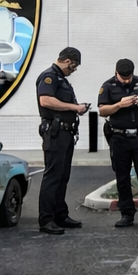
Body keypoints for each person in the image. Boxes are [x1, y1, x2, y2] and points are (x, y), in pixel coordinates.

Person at [97, 58, 138, 230]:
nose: (126, 80)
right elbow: (102, 110)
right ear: (116, 73)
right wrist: (119, 104)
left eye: (129, 77)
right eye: (123, 78)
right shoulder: (108, 86)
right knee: (122, 177)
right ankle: (126, 214)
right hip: (119, 137)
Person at [35, 48, 88, 235]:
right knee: (53, 176)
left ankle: (60, 215)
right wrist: (75, 107)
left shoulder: (61, 79)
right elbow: (46, 101)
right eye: (73, 67)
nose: (73, 70)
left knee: (63, 176)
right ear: (67, 60)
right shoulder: (49, 77)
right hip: (55, 132)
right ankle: (46, 219)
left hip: (65, 132)